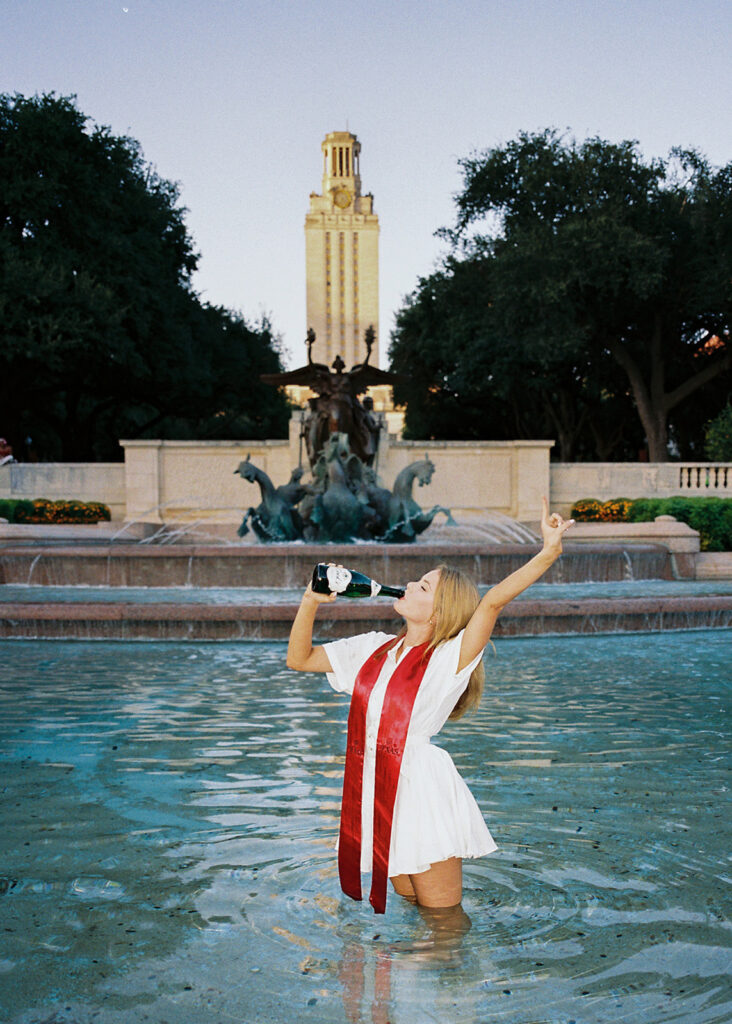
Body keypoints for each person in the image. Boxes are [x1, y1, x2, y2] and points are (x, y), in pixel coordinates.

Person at [287, 497, 573, 913]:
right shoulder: (374, 648)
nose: (408, 586)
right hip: (374, 784)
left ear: (439, 613)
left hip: (421, 788)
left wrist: (548, 551)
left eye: (422, 586)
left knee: (442, 919)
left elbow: (492, 601)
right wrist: (310, 602)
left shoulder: (448, 659)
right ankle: (413, 972)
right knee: (410, 903)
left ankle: (456, 974)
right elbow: (300, 659)